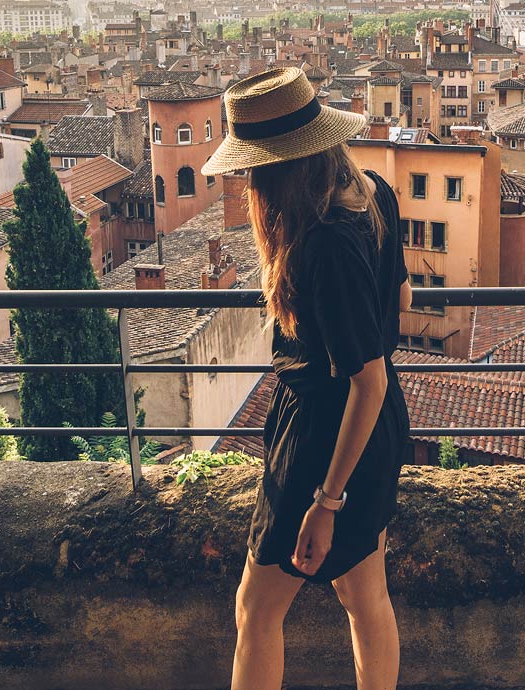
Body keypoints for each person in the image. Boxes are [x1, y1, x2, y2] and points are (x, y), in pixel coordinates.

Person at [201, 66, 410, 690]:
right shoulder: (374, 193)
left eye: (248, 171)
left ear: (274, 168)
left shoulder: (321, 244)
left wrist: (326, 500)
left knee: (256, 609)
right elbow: (395, 306)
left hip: (326, 436)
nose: (244, 183)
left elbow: (362, 380)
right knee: (363, 596)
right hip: (372, 431)